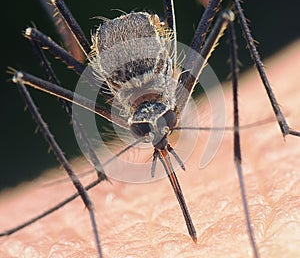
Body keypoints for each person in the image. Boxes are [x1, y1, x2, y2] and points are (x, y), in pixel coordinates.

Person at [0, 41, 299, 257]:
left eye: (166, 123)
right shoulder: (128, 107)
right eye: (145, 131)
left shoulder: (171, 98)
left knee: (226, 13)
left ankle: (284, 127)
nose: (159, 137)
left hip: (144, 58)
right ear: (135, 124)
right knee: (25, 71)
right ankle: (92, 187)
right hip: (119, 62)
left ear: (172, 113)